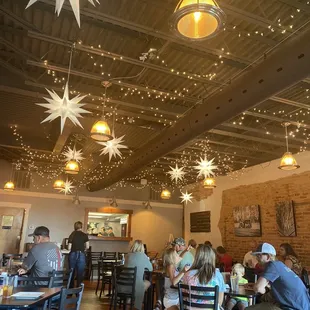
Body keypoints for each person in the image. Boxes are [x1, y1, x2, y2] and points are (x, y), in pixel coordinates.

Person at [246, 242, 310, 310]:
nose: (257, 258)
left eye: (259, 255)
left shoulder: (272, 265)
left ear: (268, 256)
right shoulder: (279, 265)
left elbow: (258, 288)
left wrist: (263, 290)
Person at [182, 244, 226, 309]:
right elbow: (219, 301)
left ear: (196, 257)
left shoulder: (187, 274)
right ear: (212, 258)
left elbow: (184, 296)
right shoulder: (218, 275)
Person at [124, 240, 153, 310]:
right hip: (136, 285)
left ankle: (130, 299)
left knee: (138, 283)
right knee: (148, 283)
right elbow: (150, 269)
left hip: (125, 284)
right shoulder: (143, 256)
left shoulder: (127, 255)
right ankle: (137, 302)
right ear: (142, 247)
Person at [68, 221, 89, 287]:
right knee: (80, 273)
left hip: (73, 254)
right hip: (81, 254)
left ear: (75, 227)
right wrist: (84, 249)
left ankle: (70, 290)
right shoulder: (84, 235)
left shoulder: (72, 234)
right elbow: (87, 246)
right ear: (81, 227)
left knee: (72, 272)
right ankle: (78, 291)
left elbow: (69, 247)